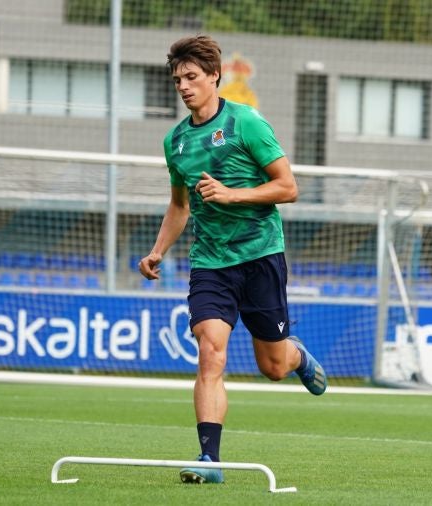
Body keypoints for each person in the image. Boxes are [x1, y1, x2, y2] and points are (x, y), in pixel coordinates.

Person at [138, 34, 327, 485]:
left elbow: (289, 187)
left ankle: (296, 356)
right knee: (210, 352)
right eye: (177, 79)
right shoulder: (176, 142)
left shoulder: (247, 123)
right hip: (210, 263)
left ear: (214, 77)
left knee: (272, 367)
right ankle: (210, 460)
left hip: (261, 256)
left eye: (191, 77)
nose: (183, 86)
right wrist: (157, 250)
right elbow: (180, 206)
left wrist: (232, 194)